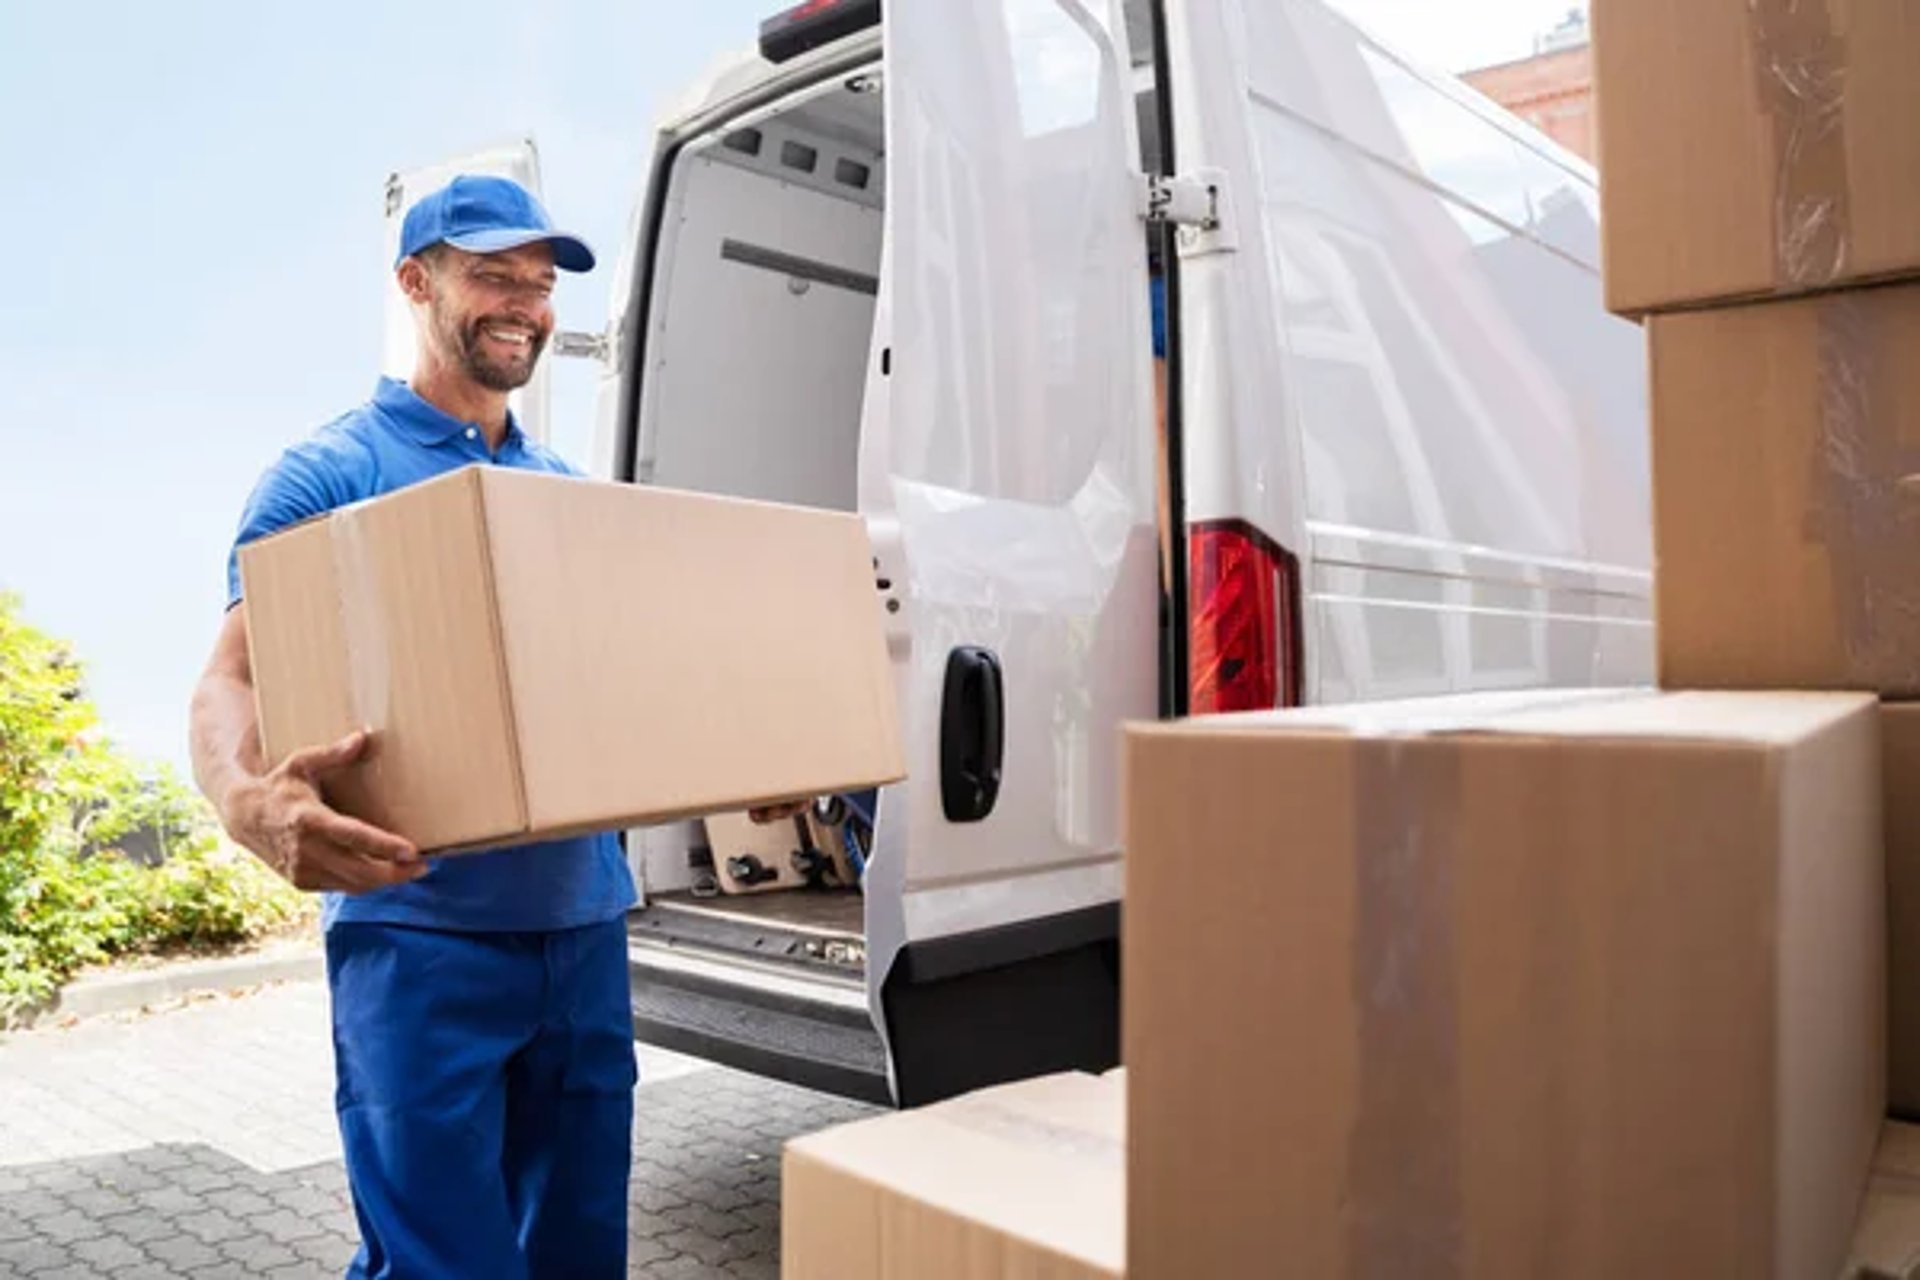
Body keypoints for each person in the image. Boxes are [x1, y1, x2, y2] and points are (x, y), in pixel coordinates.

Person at [188, 174, 797, 1279]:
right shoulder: (329, 472)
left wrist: (742, 752)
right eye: (492, 274)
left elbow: (604, 689)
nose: (524, 301)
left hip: (581, 928)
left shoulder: (557, 486)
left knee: (576, 1254)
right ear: (416, 282)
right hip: (419, 937)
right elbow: (230, 679)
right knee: (441, 1262)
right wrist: (246, 798)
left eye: (539, 282)